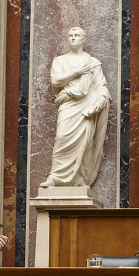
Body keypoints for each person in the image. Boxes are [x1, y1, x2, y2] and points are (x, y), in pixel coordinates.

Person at [40, 27, 111, 188]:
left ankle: (79, 178)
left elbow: (101, 85)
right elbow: (56, 81)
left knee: (84, 143)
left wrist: (100, 100)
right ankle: (55, 176)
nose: (73, 38)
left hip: (87, 107)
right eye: (71, 36)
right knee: (62, 137)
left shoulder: (92, 63)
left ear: (83, 39)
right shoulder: (60, 61)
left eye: (77, 35)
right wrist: (77, 72)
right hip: (69, 105)